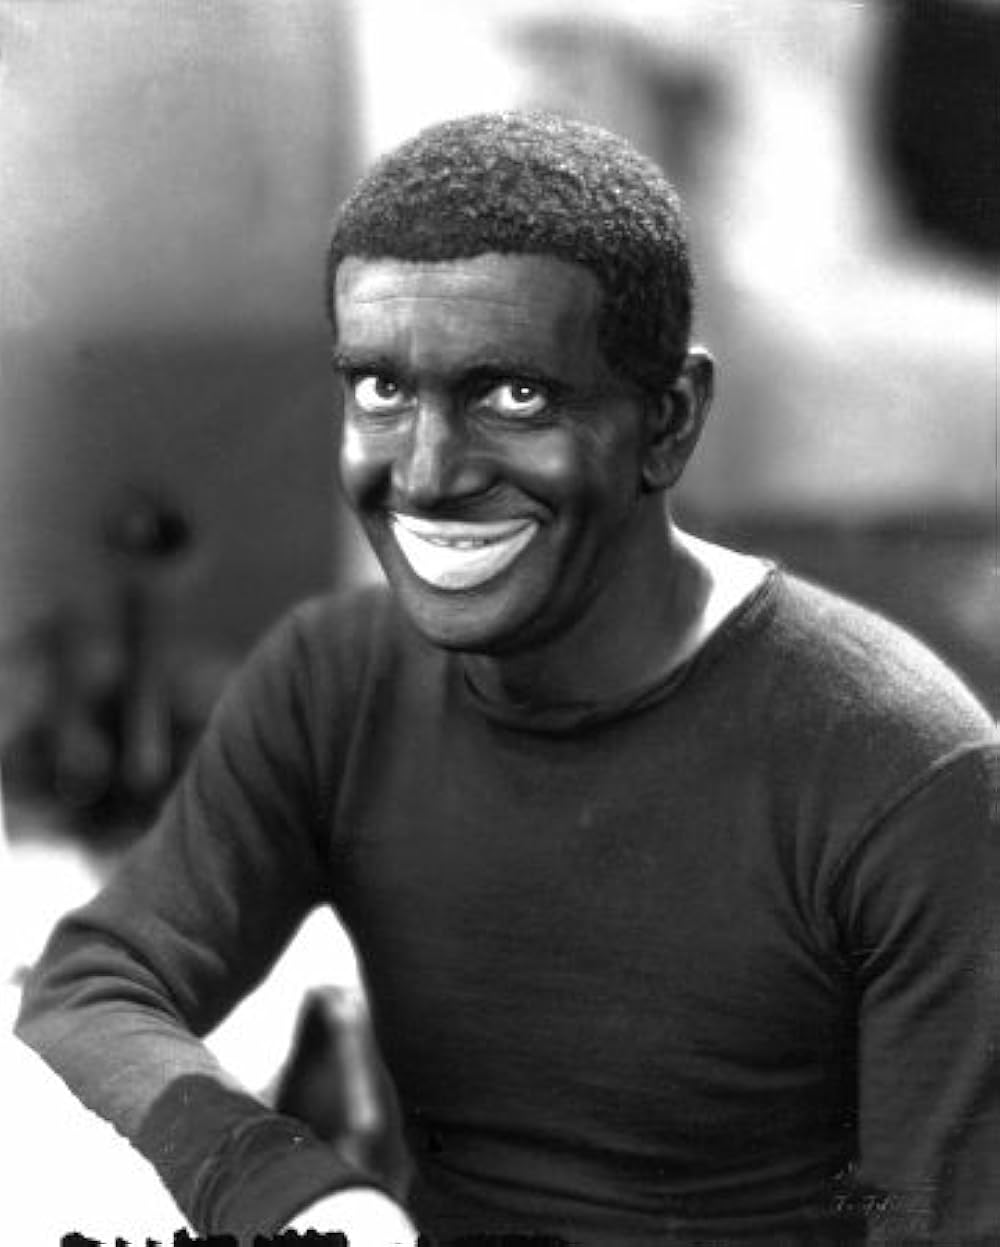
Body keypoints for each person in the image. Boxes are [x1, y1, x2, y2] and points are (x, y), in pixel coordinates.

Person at [16, 112, 1000, 1246]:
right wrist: (287, 1186)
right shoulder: (335, 678)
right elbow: (94, 981)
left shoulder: (906, 770)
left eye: (514, 396)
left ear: (669, 420)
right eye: (380, 388)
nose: (428, 474)